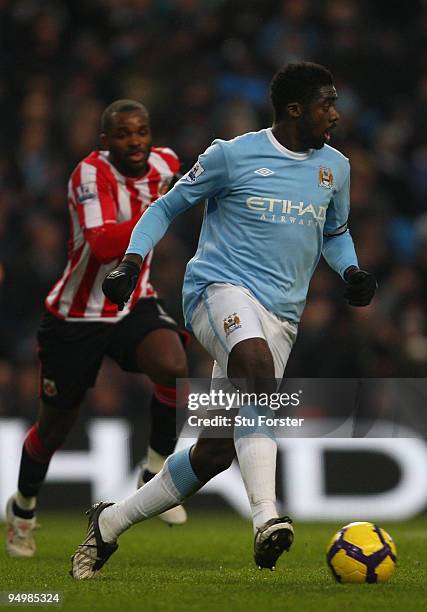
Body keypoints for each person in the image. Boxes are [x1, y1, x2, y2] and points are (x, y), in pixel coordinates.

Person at [70, 62, 377, 579]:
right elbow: (166, 208)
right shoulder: (230, 156)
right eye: (327, 103)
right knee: (256, 370)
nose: (336, 114)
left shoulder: (335, 168)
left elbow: (334, 232)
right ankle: (267, 517)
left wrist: (350, 269)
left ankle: (110, 523)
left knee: (214, 451)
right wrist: (131, 261)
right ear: (295, 109)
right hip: (216, 290)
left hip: (281, 315)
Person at [6, 100, 190, 558]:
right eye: (123, 134)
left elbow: (196, 183)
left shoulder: (167, 162)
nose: (135, 141)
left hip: (132, 300)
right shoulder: (89, 175)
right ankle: (23, 509)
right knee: (55, 428)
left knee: (173, 365)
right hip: (77, 315)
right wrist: (161, 206)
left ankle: (153, 475)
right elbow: (105, 243)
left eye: (141, 131)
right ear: (105, 142)